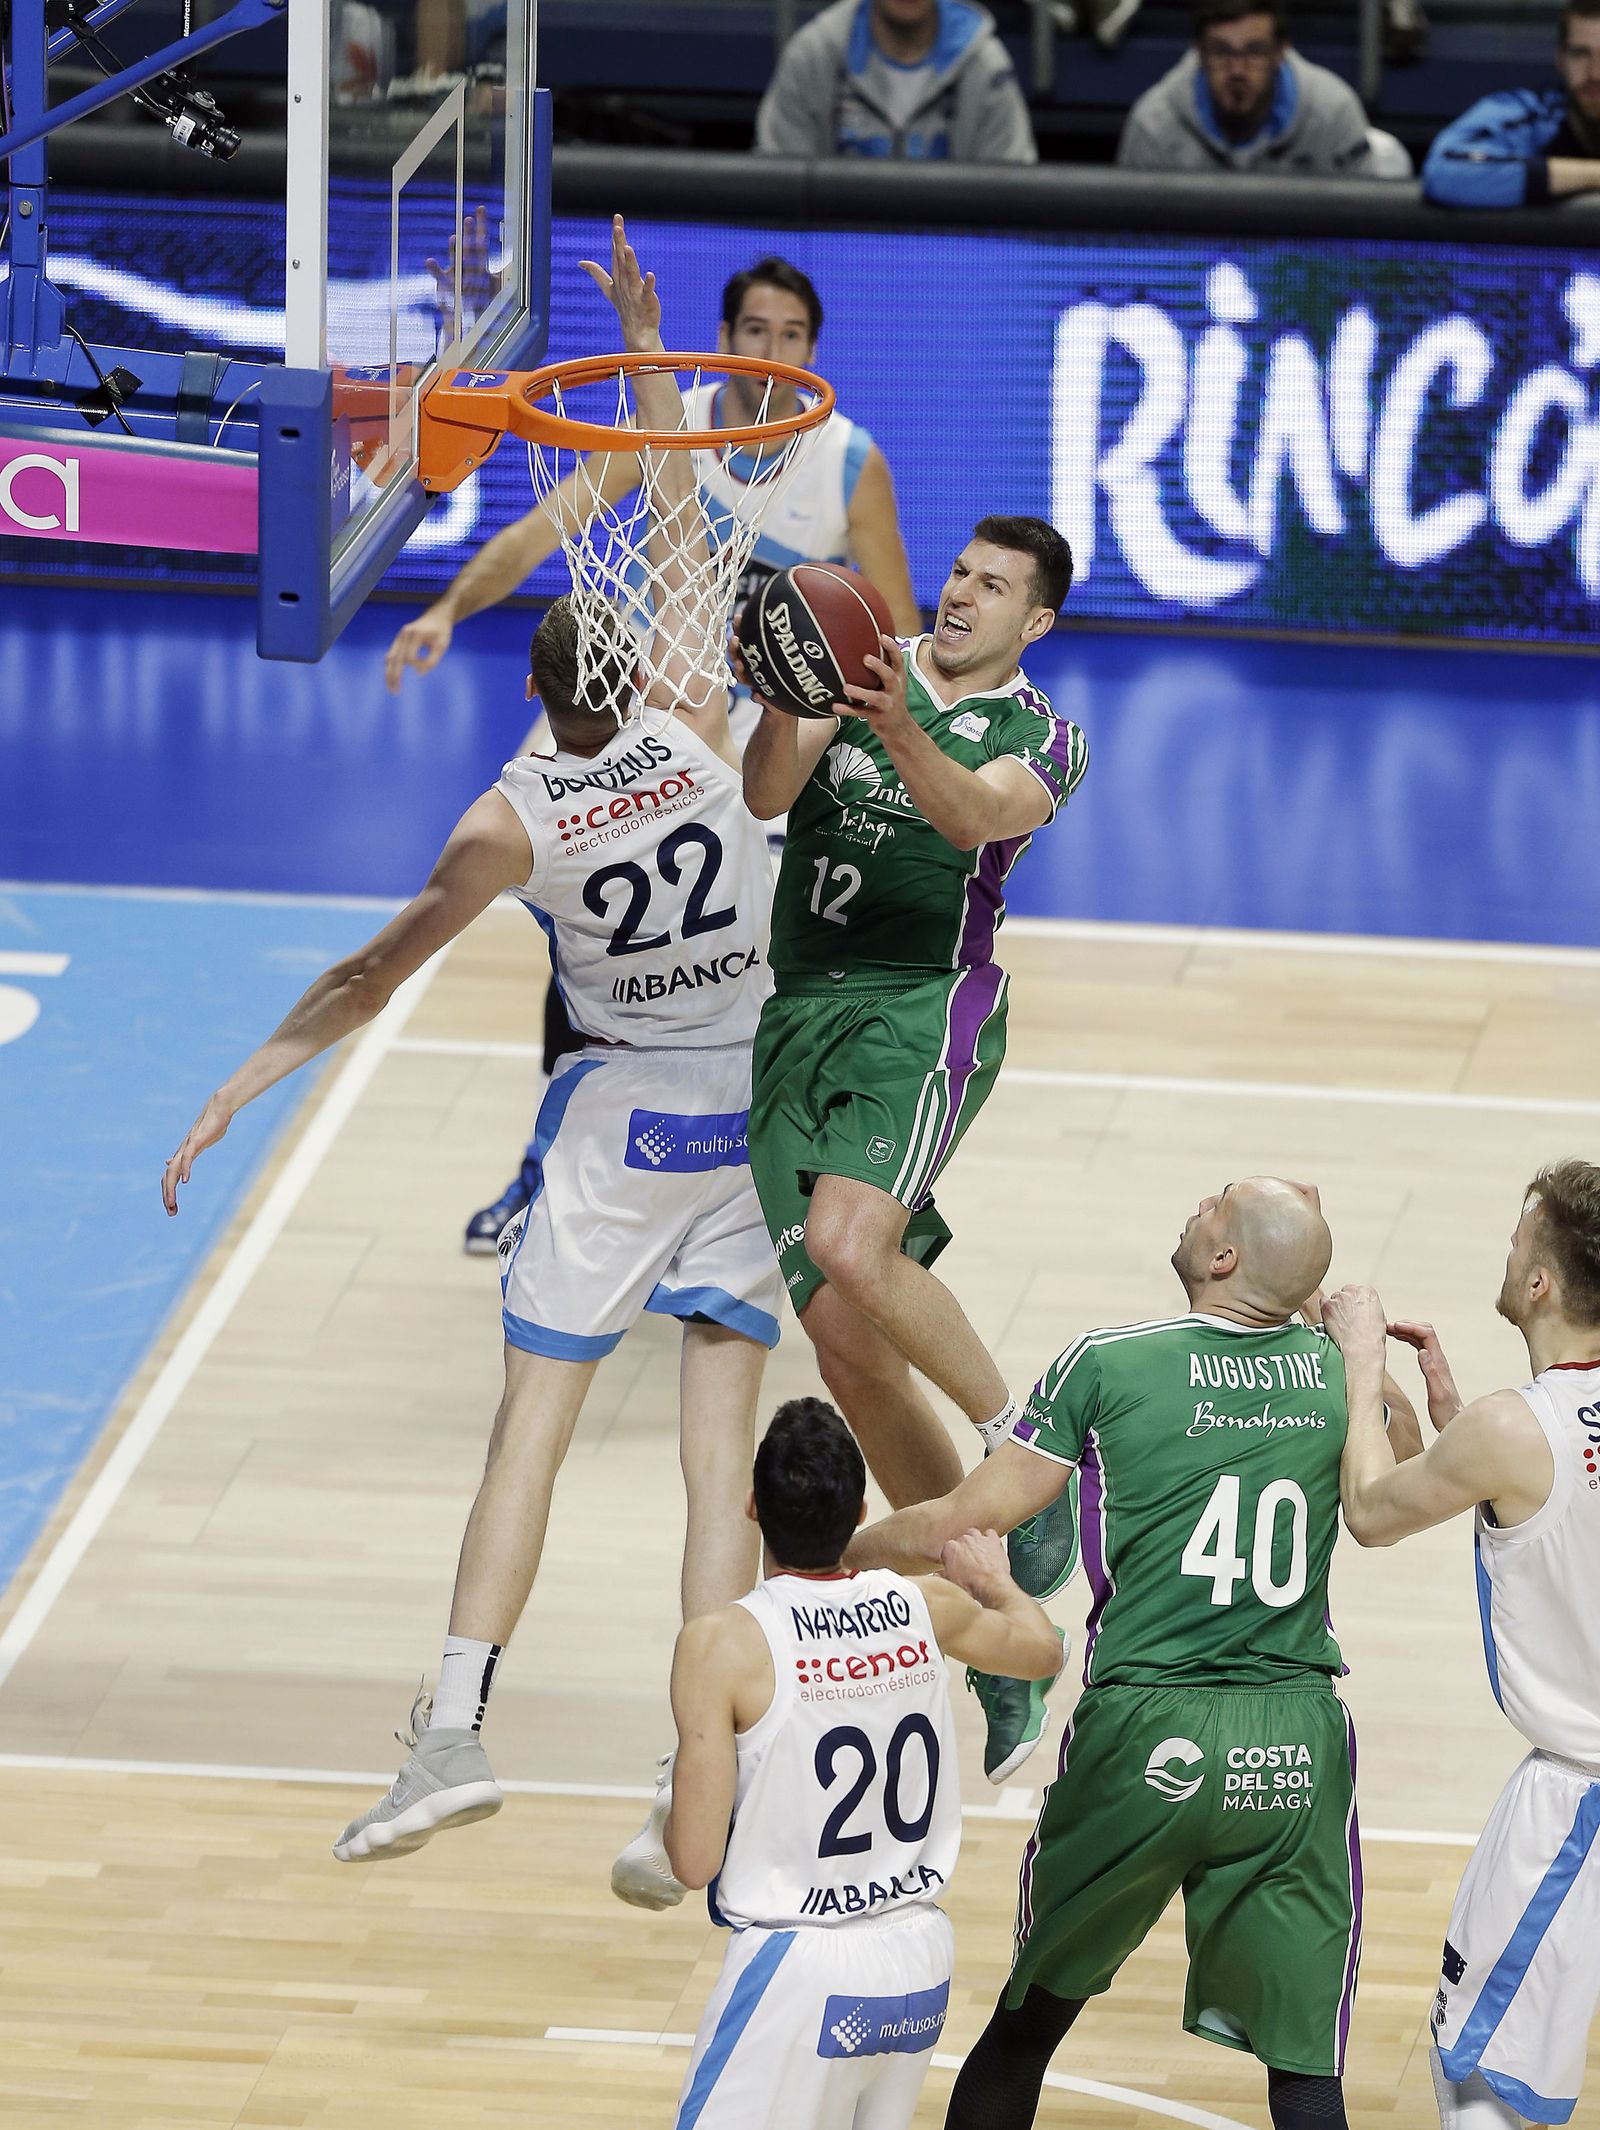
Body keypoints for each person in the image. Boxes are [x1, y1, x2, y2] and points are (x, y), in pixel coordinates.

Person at [163, 218, 781, 1903]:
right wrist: (648, 347)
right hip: (749, 1111)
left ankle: (452, 1732)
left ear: (535, 686)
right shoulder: (698, 726)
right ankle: (697, 1774)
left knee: (531, 1433)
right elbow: (674, 507)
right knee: (712, 1466)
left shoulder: (510, 824)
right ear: (645, 667)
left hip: (622, 1120)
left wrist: (240, 1085)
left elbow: (369, 975)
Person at [382, 253, 920, 1254]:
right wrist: (449, 609)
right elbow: (542, 531)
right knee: (587, 945)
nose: (772, 348)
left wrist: (890, 737)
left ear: (810, 351)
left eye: (791, 335)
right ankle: (546, 1168)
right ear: (727, 342)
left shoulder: (847, 460)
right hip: (631, 710)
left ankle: (761, 1177)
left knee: (760, 959)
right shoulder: (672, 429)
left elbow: (898, 627)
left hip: (751, 736)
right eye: (754, 330)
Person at [843, 1178, 1403, 2130]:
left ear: (1224, 1259)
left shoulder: (1107, 1362)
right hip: (1295, 1744)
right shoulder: (1332, 1372)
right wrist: (1351, 1345)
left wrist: (843, 1555)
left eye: (1217, 1206)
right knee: (1306, 2076)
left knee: (1026, 2028)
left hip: (1144, 1728)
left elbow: (955, 1525)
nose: (1198, 1203)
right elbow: (1398, 1458)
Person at [739, 514, 1087, 1784]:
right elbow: (766, 794)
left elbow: (971, 818)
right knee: (844, 1344)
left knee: (850, 1242)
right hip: (798, 1016)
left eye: (992, 587)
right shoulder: (857, 660)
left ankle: (1025, 1456)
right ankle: (992, 1623)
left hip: (921, 1008)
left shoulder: (1042, 736)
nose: (960, 595)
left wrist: (891, 722)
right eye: (957, 572)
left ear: (1033, 621)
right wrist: (784, 695)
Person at [660, 1396, 1063, 2130]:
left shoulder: (722, 1643)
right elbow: (1041, 1651)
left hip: (799, 1970)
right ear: (859, 1513)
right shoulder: (922, 1605)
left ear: (753, 1508)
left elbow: (692, 1861)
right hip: (917, 1962)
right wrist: (995, 1580)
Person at [1323, 1159, 1600, 2130]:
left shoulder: (1512, 1430)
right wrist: (1456, 1427)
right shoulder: (1510, 1432)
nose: (1507, 1251)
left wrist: (1360, 1361)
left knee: (1482, 2082)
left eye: (1519, 1240)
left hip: (1577, 1801)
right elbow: (1564, 1508)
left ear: (1541, 1283)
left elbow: (1368, 1512)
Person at [755, 0, 1037, 164]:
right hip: (835, 249)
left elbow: (1012, 205)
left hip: (952, 250)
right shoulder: (813, 55)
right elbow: (777, 196)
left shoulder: (986, 67)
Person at [1116, 0, 1376, 177]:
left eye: (1254, 51)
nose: (1237, 70)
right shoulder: (1153, 125)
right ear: (1200, 52)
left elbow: (1364, 228)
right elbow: (1133, 237)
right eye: (1221, 52)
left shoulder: (1334, 113)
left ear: (1280, 52)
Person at [1422, 0, 1600, 208]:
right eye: (1580, 54)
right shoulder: (1531, 114)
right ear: (1560, 60)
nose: (1595, 74)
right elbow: (1444, 172)